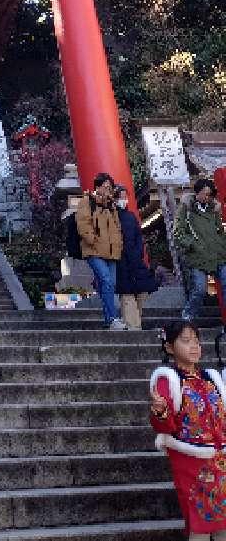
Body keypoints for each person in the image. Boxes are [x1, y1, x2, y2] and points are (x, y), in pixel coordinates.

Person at [150, 319, 226, 539]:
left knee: (224, 523)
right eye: (186, 341)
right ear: (169, 347)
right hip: (190, 460)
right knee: (199, 522)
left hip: (220, 458)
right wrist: (160, 411)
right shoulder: (168, 379)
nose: (194, 346)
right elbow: (164, 425)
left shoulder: (211, 377)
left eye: (196, 341)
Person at [75, 171, 127, 330]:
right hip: (94, 250)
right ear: (97, 187)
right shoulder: (86, 202)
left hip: (111, 252)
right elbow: (83, 224)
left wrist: (118, 244)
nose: (108, 190)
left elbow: (117, 228)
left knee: (110, 283)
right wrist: (93, 240)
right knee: (106, 280)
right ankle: (112, 318)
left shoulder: (111, 206)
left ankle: (109, 319)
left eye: (110, 187)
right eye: (105, 187)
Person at [174, 178, 226, 322]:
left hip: (218, 254)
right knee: (199, 289)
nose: (206, 197)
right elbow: (178, 232)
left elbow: (220, 231)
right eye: (204, 194)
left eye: (209, 194)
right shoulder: (186, 209)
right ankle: (188, 316)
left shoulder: (214, 210)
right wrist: (192, 245)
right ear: (196, 193)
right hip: (197, 257)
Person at [114, 184, 156, 329]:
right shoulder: (111, 216)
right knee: (126, 294)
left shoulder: (131, 216)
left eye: (125, 197)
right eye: (121, 197)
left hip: (135, 259)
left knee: (143, 290)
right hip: (120, 260)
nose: (124, 200)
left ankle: (137, 321)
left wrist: (138, 252)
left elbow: (139, 236)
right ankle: (133, 325)